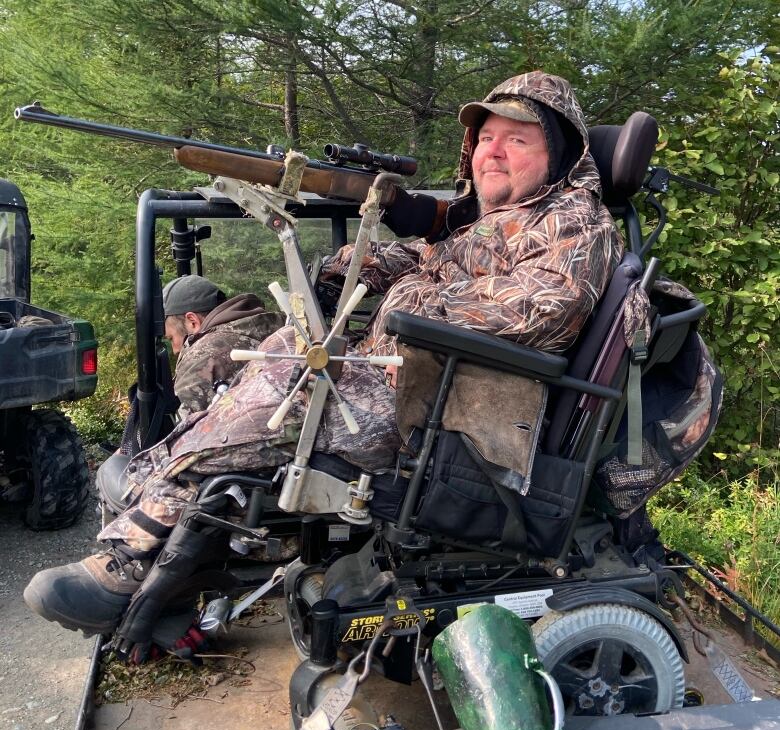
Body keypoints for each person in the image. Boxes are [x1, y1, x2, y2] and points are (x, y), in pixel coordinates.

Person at [24, 71, 623, 637]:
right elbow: (426, 261)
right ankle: (174, 543)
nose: (493, 151)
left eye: (516, 140)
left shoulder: (574, 223)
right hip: (413, 381)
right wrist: (345, 268)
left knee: (285, 391)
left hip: (450, 412)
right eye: (486, 137)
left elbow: (544, 311)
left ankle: (131, 553)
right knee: (281, 351)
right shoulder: (487, 221)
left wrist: (414, 312)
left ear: (561, 157)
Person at [161, 276, 283, 416]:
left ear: (192, 321)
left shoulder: (201, 358)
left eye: (171, 338)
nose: (175, 350)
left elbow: (182, 431)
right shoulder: (274, 325)